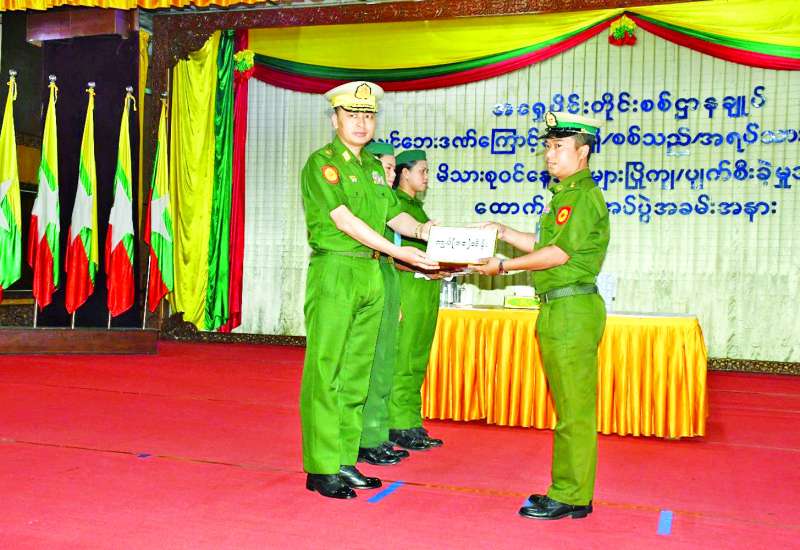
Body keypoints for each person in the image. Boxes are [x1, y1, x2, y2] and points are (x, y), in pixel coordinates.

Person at [300, 82, 439, 500]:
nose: (361, 123)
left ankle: (344, 458)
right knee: (327, 369)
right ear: (335, 119)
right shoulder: (323, 164)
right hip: (337, 269)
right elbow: (344, 220)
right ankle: (321, 466)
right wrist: (400, 250)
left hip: (371, 272)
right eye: (352, 115)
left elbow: (394, 215)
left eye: (368, 116)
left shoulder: (375, 169)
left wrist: (425, 232)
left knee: (358, 371)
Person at [472, 111, 610, 520]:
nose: (549, 155)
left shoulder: (580, 196)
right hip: (560, 307)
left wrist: (502, 266)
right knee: (568, 406)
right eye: (547, 147)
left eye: (559, 147)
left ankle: (571, 494)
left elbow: (557, 254)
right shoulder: (566, 195)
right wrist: (503, 232)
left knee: (573, 411)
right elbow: (543, 243)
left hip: (571, 309)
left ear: (582, 153)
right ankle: (571, 490)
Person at [387, 149, 445, 451]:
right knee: (403, 359)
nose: (426, 176)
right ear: (404, 173)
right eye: (422, 170)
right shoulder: (394, 207)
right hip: (406, 293)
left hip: (424, 292)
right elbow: (389, 255)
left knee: (417, 358)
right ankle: (397, 424)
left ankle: (410, 421)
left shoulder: (417, 211)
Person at [357, 140, 409, 466]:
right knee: (370, 365)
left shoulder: (387, 201)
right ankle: (365, 439)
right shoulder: (365, 202)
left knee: (385, 363)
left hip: (387, 272)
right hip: (371, 271)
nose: (393, 174)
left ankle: (376, 433)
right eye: (388, 167)